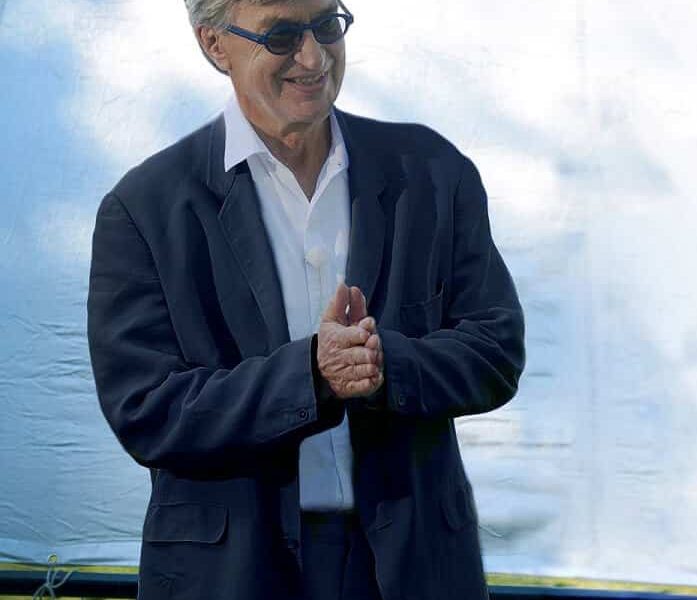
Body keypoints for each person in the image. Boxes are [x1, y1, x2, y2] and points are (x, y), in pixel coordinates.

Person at [86, 1, 524, 598]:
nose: (314, 57)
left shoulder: (431, 172)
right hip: (234, 572)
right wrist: (311, 377)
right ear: (214, 44)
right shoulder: (145, 208)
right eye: (283, 35)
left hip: (414, 564)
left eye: (325, 24)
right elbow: (146, 408)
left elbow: (496, 348)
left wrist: (385, 365)